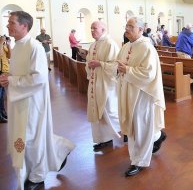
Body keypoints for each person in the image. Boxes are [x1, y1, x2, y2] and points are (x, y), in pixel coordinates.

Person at [0, 11, 75, 190]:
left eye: (11, 23)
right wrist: (8, 78)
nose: (8, 26)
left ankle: (37, 176)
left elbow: (39, 78)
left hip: (32, 102)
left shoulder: (35, 47)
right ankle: (56, 154)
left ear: (24, 26)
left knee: (33, 139)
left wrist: (10, 80)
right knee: (28, 138)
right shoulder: (17, 46)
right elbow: (19, 72)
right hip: (19, 100)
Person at [116, 17, 166, 177]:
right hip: (127, 91)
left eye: (131, 26)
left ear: (140, 29)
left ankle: (139, 161)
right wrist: (117, 69)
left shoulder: (147, 48)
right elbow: (118, 65)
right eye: (126, 26)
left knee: (140, 126)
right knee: (132, 125)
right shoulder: (125, 47)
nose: (127, 29)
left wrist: (127, 70)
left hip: (142, 94)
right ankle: (156, 137)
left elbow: (149, 74)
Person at [85, 21, 121, 151]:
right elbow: (88, 61)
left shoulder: (110, 44)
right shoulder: (93, 44)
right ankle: (103, 139)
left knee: (109, 111)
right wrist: (89, 65)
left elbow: (116, 65)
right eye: (91, 28)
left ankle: (125, 130)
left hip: (106, 84)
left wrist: (100, 64)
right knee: (96, 110)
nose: (92, 30)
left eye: (95, 28)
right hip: (95, 82)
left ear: (103, 29)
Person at [0, 35, 11, 123]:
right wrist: (1, 42)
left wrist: (8, 44)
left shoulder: (3, 45)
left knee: (2, 95)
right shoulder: (0, 45)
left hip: (4, 70)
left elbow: (9, 55)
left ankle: (3, 112)